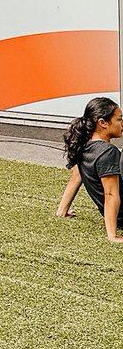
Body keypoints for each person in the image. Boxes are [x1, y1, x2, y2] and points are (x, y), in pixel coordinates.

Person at [62, 97, 123, 241]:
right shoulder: (108, 152)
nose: (122, 124)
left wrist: (62, 210)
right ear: (102, 123)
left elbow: (76, 177)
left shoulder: (82, 147)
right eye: (119, 119)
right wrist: (112, 235)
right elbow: (110, 194)